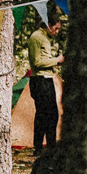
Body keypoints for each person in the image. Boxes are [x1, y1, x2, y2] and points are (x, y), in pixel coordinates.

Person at [23, 19, 63, 151]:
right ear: (48, 25)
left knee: (50, 114)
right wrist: (57, 60)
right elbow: (36, 62)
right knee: (44, 114)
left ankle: (48, 147)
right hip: (40, 80)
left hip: (46, 78)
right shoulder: (36, 37)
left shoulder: (44, 38)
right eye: (55, 28)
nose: (57, 32)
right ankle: (40, 147)